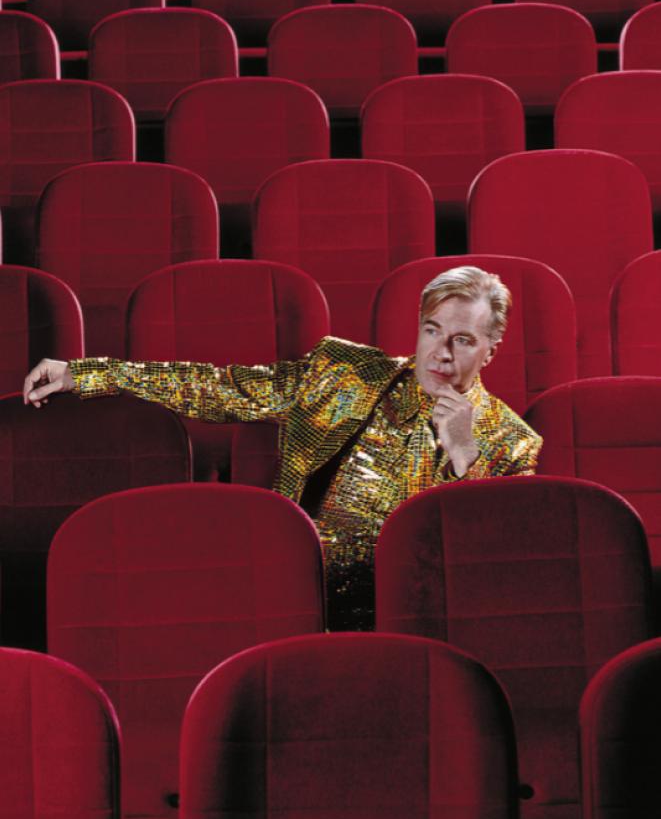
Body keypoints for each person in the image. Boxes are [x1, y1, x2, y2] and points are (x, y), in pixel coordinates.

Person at [23, 265, 542, 630]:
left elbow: (487, 573)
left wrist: (464, 457)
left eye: (463, 340)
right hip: (293, 595)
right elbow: (222, 389)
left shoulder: (512, 442)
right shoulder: (344, 373)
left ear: (491, 350)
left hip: (415, 620)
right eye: (433, 331)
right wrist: (87, 374)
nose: (442, 354)